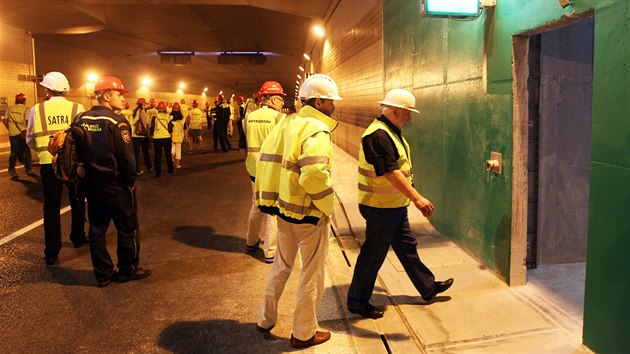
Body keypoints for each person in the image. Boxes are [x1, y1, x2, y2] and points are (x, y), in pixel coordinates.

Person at [346, 88, 454, 319]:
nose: (410, 117)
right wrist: (417, 198)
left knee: (407, 248)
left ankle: (427, 288)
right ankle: (357, 301)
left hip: (393, 205)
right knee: (373, 255)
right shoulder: (378, 135)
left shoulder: (390, 132)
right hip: (379, 207)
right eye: (407, 113)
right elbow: (391, 173)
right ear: (395, 111)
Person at [255, 74, 342, 349]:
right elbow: (313, 174)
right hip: (307, 213)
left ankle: (265, 318)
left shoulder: (286, 122)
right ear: (319, 101)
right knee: (311, 274)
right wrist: (328, 206)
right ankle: (304, 333)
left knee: (281, 266)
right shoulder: (316, 129)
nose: (334, 107)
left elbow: (267, 161)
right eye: (331, 101)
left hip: (282, 210)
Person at [76, 75, 151, 287]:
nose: (122, 98)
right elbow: (127, 158)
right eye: (119, 94)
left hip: (92, 184)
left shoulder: (81, 118)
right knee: (127, 228)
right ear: (107, 96)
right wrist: (130, 181)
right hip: (116, 185)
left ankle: (102, 274)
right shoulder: (117, 122)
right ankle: (127, 270)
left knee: (97, 230)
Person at [26, 71, 87, 266]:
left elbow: (30, 139)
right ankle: (78, 237)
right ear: (65, 90)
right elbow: (83, 138)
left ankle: (52, 252)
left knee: (51, 206)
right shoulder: (78, 108)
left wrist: (45, 151)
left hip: (47, 162)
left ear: (47, 90)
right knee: (77, 199)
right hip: (72, 163)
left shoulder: (37, 109)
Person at [243, 82, 286, 264]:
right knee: (272, 210)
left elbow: (245, 142)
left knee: (256, 204)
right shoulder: (279, 118)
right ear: (274, 98)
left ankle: (251, 242)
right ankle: (270, 251)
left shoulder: (248, 117)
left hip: (253, 168)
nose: (283, 103)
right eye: (281, 99)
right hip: (271, 169)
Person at [2, 93, 33, 179]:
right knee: (27, 151)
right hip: (24, 134)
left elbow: (4, 120)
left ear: (15, 100)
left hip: (13, 134)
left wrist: (10, 128)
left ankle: (12, 170)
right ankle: (29, 169)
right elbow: (28, 123)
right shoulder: (27, 110)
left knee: (13, 152)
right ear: (24, 101)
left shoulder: (10, 109)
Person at [150, 101, 174, 177]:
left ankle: (158, 172)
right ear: (164, 108)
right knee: (168, 155)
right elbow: (170, 129)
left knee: (157, 156)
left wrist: (152, 134)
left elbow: (152, 128)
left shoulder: (155, 116)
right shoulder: (168, 116)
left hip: (157, 138)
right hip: (166, 137)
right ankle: (170, 170)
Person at [130, 98, 153, 174]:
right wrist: (148, 134)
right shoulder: (142, 112)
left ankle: (137, 169)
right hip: (142, 136)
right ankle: (148, 166)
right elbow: (144, 124)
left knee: (136, 153)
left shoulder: (133, 111)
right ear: (143, 104)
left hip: (134, 136)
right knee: (145, 152)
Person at [170, 102, 185, 169]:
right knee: (178, 151)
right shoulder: (182, 120)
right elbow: (185, 128)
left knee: (172, 149)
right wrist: (186, 137)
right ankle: (177, 164)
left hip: (172, 136)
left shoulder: (169, 118)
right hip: (179, 136)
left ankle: (172, 161)